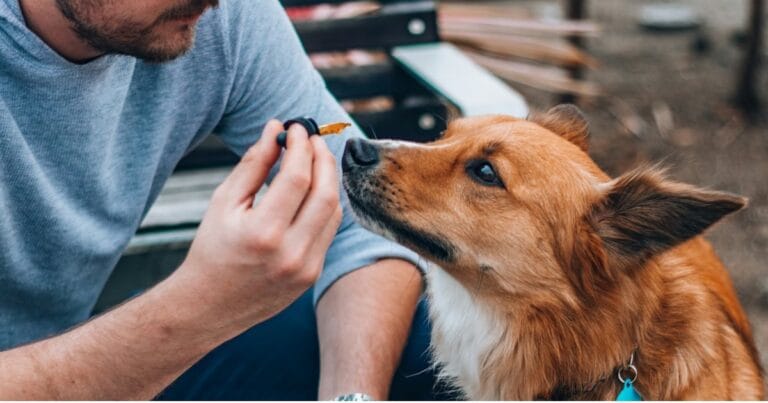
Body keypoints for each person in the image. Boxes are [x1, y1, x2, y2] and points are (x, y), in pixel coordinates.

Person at [0, 0, 450, 399]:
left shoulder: (225, 20)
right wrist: (199, 307)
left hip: (84, 354)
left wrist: (351, 397)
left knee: (437, 342)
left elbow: (358, 225)